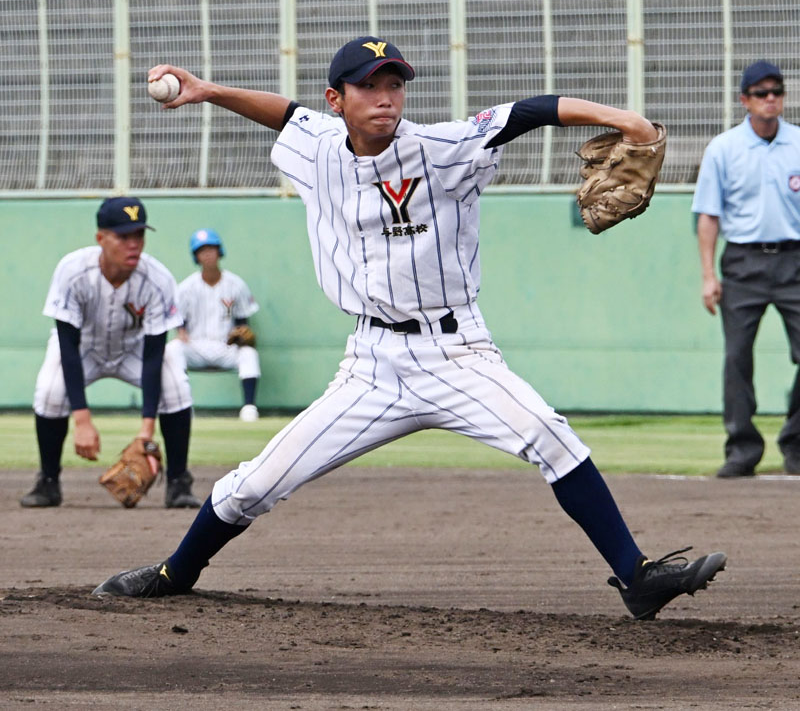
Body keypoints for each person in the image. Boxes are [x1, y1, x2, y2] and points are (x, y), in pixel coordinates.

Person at [93, 37, 726, 619]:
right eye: (371, 85)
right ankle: (178, 571)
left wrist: (625, 121)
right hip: (369, 364)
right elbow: (284, 113)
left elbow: (528, 110)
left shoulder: (443, 147)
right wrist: (206, 90)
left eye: (396, 83)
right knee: (256, 482)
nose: (387, 97)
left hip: (457, 352)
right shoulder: (317, 141)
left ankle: (636, 577)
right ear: (337, 100)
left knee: (547, 434)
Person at [21, 197, 201, 509]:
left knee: (176, 386)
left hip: (135, 350)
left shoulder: (158, 280)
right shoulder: (73, 271)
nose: (134, 245)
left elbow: (154, 354)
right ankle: (48, 481)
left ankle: (178, 482)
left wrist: (147, 431)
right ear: (101, 238)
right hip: (83, 348)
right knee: (50, 391)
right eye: (123, 236)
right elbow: (68, 346)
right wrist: (82, 420)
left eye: (139, 235)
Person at [693, 59, 800, 478]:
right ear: (745, 100)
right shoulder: (724, 148)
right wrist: (708, 276)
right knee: (737, 357)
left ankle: (795, 442)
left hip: (794, 259)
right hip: (742, 262)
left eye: (777, 92)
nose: (770, 99)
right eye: (761, 93)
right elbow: (708, 216)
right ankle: (742, 449)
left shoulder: (798, 143)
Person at [168, 228, 261, 422]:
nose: (208, 254)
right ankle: (183, 407)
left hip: (226, 346)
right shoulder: (186, 287)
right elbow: (179, 321)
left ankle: (249, 408)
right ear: (196, 256)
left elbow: (244, 322)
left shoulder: (236, 284)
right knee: (173, 349)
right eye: (202, 250)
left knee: (249, 354)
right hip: (196, 346)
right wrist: (181, 332)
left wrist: (243, 333)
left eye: (211, 248)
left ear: (219, 251)